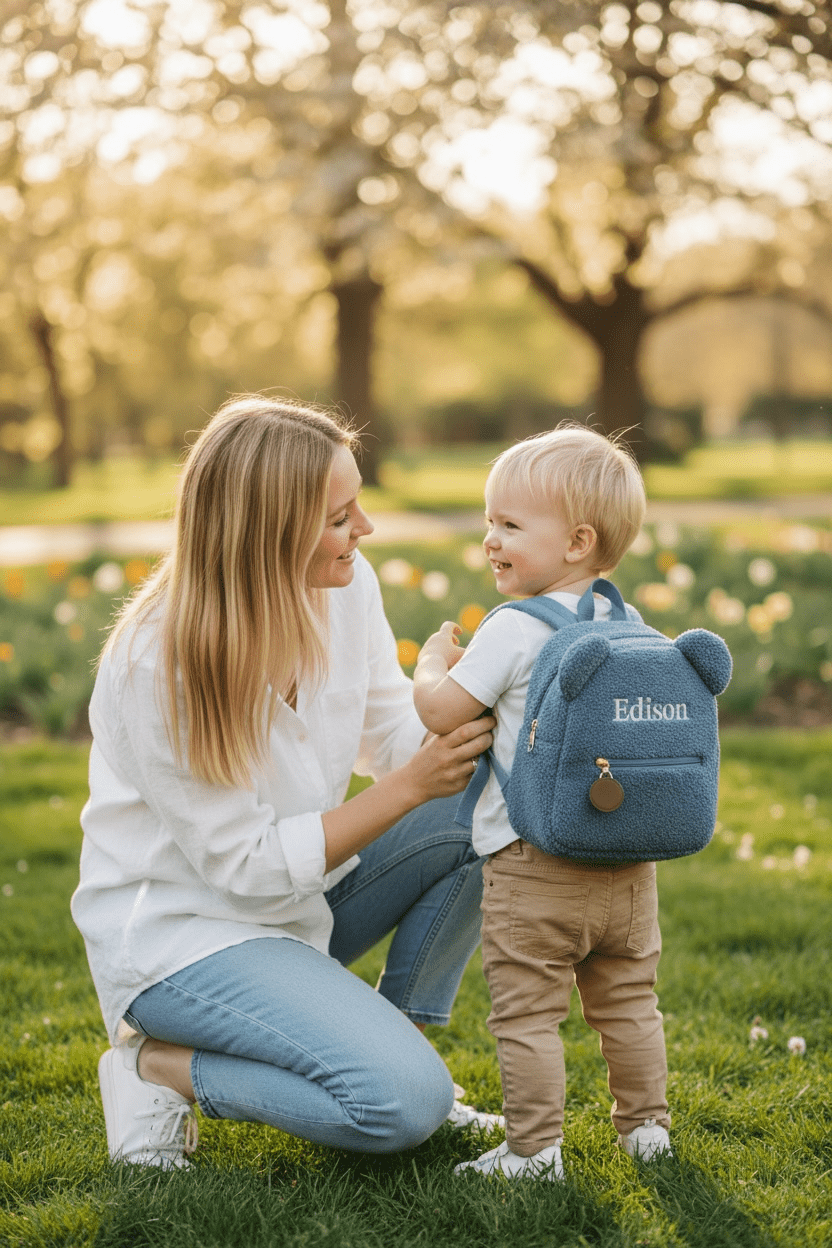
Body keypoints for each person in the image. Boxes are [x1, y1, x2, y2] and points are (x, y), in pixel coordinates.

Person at [71, 395, 500, 1170]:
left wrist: (457, 698)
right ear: (266, 533)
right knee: (400, 1107)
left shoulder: (343, 586)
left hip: (303, 898)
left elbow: (389, 732)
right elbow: (247, 868)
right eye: (340, 517)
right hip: (184, 938)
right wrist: (407, 788)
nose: (363, 530)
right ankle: (153, 1064)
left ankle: (395, 1043)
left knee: (484, 804)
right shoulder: (156, 663)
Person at [413, 425, 672, 1181]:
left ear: (576, 540)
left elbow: (442, 713)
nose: (489, 538)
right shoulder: (630, 625)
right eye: (490, 520)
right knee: (629, 1004)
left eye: (509, 524)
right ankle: (646, 1131)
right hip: (628, 864)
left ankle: (533, 1151)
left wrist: (434, 663)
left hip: (533, 866)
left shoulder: (515, 628)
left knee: (527, 1013)